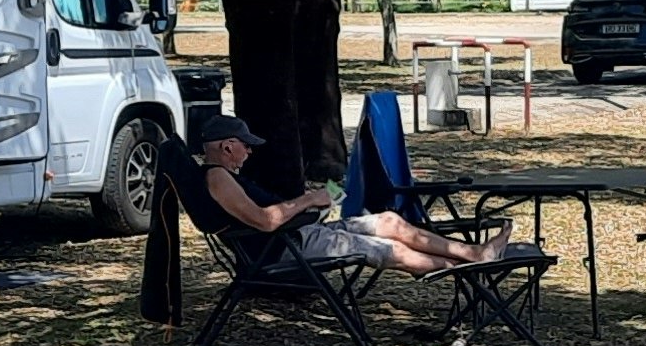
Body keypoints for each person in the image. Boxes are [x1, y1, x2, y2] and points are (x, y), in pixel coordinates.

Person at [189, 114, 522, 275]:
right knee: (391, 249)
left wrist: (315, 202)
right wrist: (308, 200)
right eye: (245, 146)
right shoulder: (218, 178)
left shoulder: (226, 177)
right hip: (286, 248)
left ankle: (473, 254)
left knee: (390, 221)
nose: (249, 152)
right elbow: (264, 221)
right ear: (227, 146)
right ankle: (467, 267)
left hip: (299, 233)